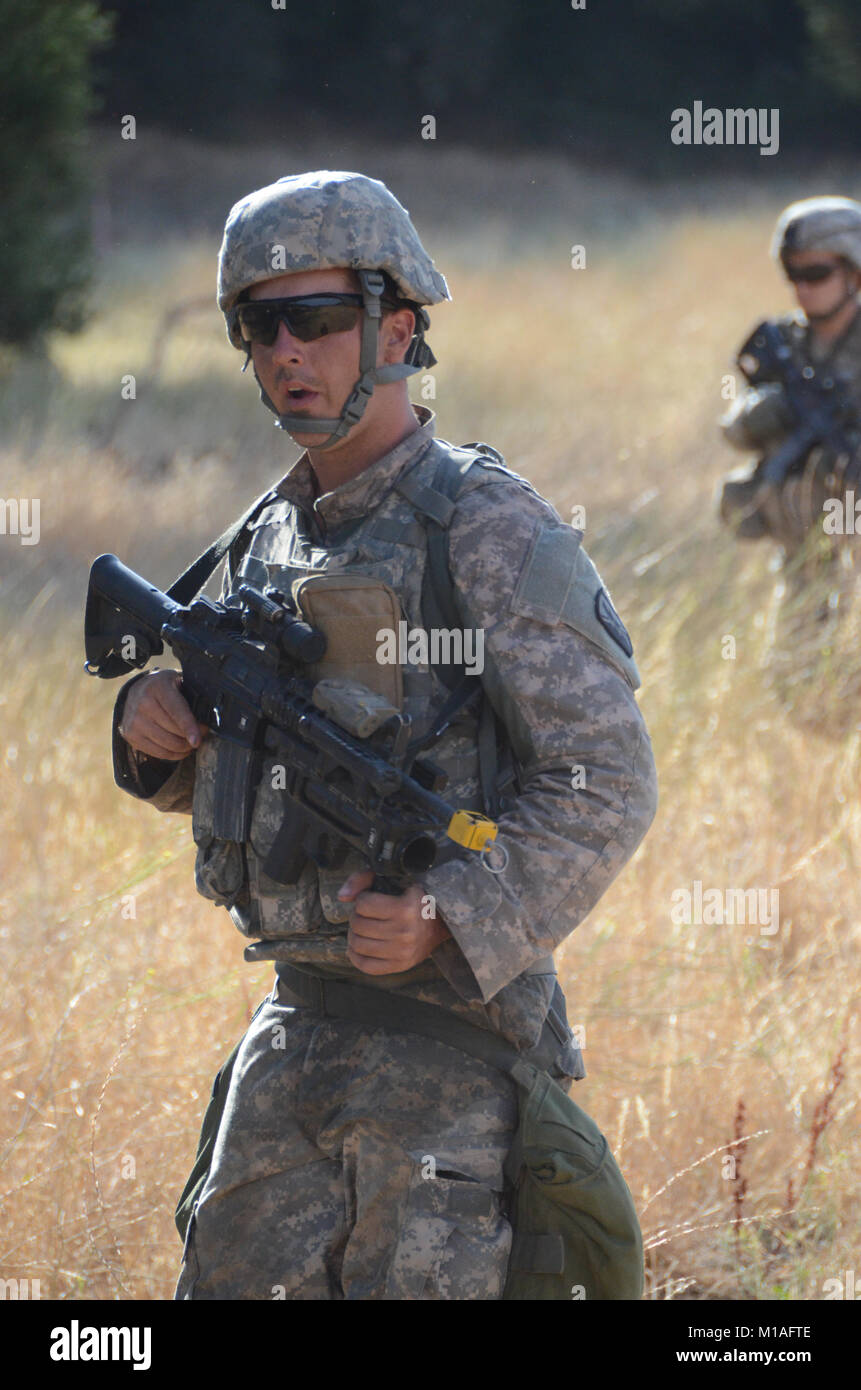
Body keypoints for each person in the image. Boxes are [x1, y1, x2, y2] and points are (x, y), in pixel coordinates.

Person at [111, 171, 658, 1300]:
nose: (286, 352)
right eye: (259, 327)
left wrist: (448, 912)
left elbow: (606, 780)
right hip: (291, 1041)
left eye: (316, 319)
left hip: (450, 1066)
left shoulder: (487, 529)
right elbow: (251, 764)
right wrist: (156, 736)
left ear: (398, 328)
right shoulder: (268, 537)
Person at [719, 196, 861, 559]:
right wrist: (757, 413)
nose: (803, 288)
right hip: (799, 552)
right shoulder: (781, 342)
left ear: (854, 272)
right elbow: (733, 433)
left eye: (816, 274)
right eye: (793, 275)